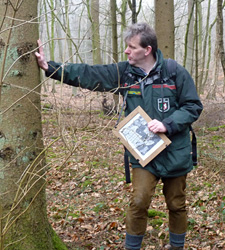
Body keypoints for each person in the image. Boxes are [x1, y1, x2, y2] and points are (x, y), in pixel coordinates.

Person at [35, 23, 203, 249]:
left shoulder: (174, 72)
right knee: (139, 201)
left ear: (148, 50)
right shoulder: (125, 73)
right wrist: (50, 67)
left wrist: (167, 124)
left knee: (176, 204)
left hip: (175, 151)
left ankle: (177, 246)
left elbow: (193, 106)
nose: (126, 51)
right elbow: (89, 74)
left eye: (131, 47)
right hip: (144, 154)